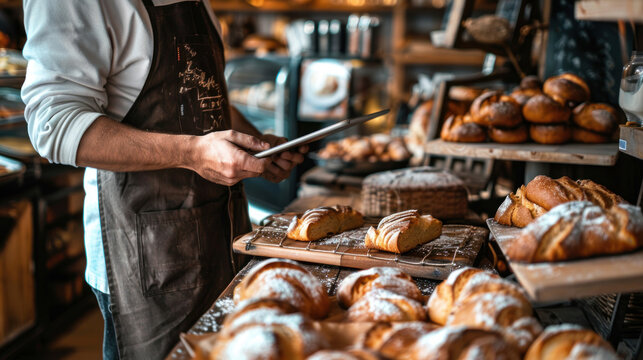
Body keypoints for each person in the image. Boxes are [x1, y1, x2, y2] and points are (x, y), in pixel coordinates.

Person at [21, 1, 305, 359]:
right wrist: (193, 153)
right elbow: (55, 124)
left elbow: (196, 97)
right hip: (147, 257)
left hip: (223, 234)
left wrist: (257, 147)